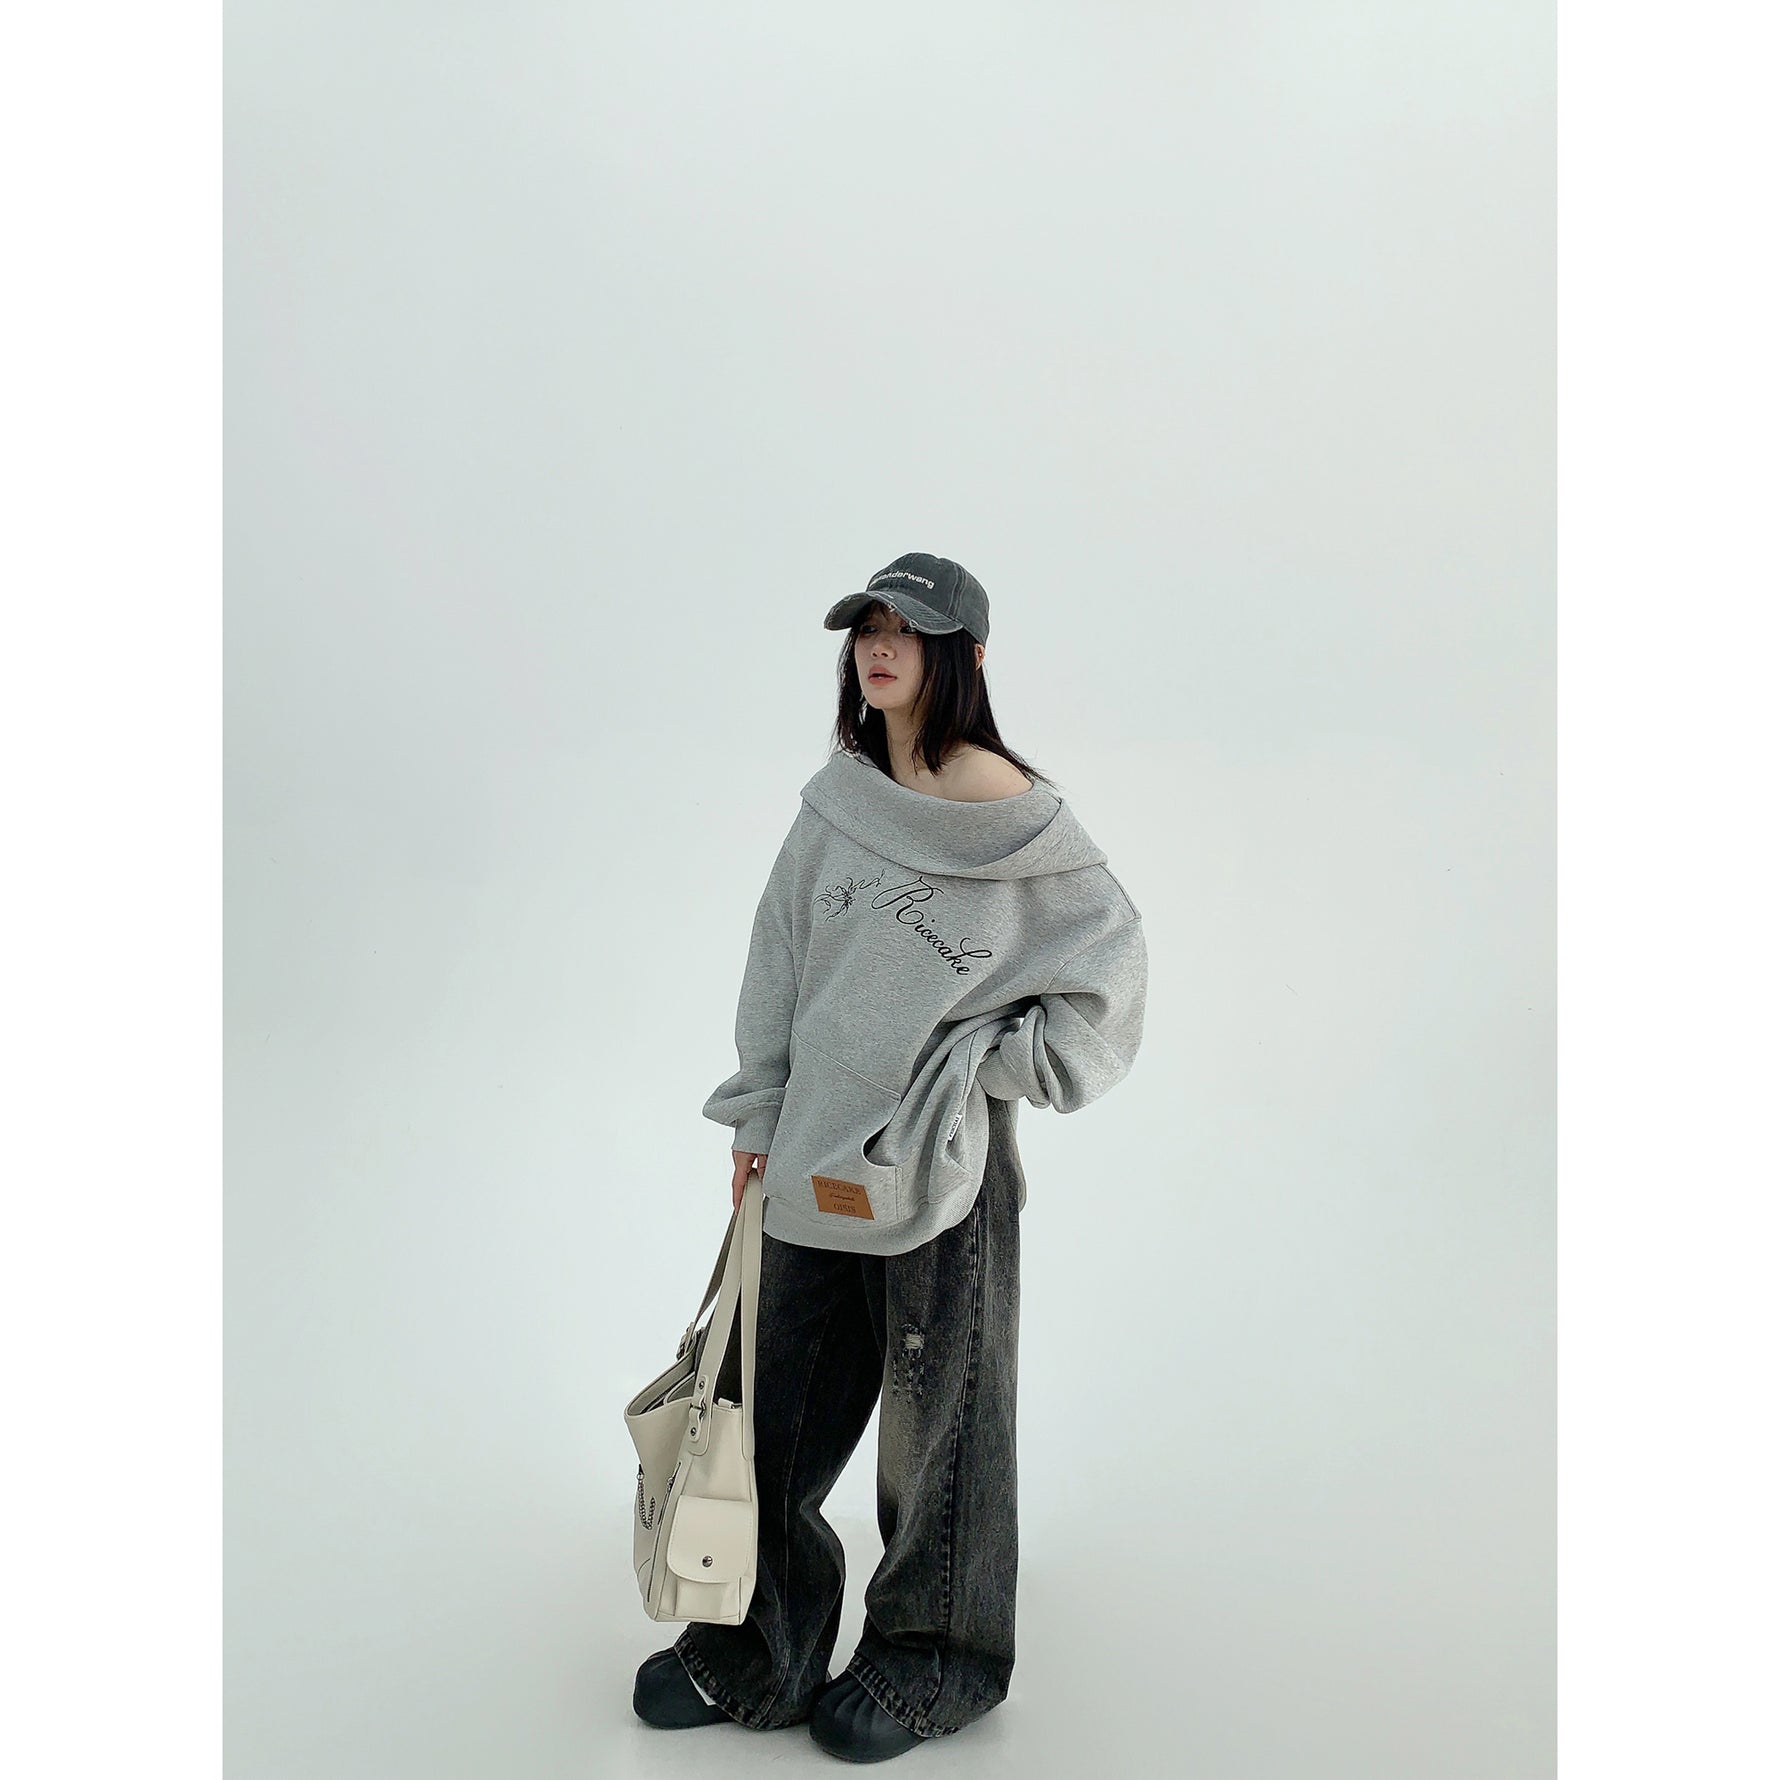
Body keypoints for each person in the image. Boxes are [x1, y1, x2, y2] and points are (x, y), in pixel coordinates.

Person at [632, 552, 1148, 1761]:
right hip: (811, 1154)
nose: (878, 647)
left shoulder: (1024, 828)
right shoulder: (838, 803)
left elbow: (1106, 992)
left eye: (906, 630)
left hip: (942, 1177)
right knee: (772, 1408)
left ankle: (934, 1660)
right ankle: (759, 1648)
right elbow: (777, 964)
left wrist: (977, 1070)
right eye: (866, 628)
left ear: (964, 655)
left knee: (940, 1425)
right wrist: (757, 1117)